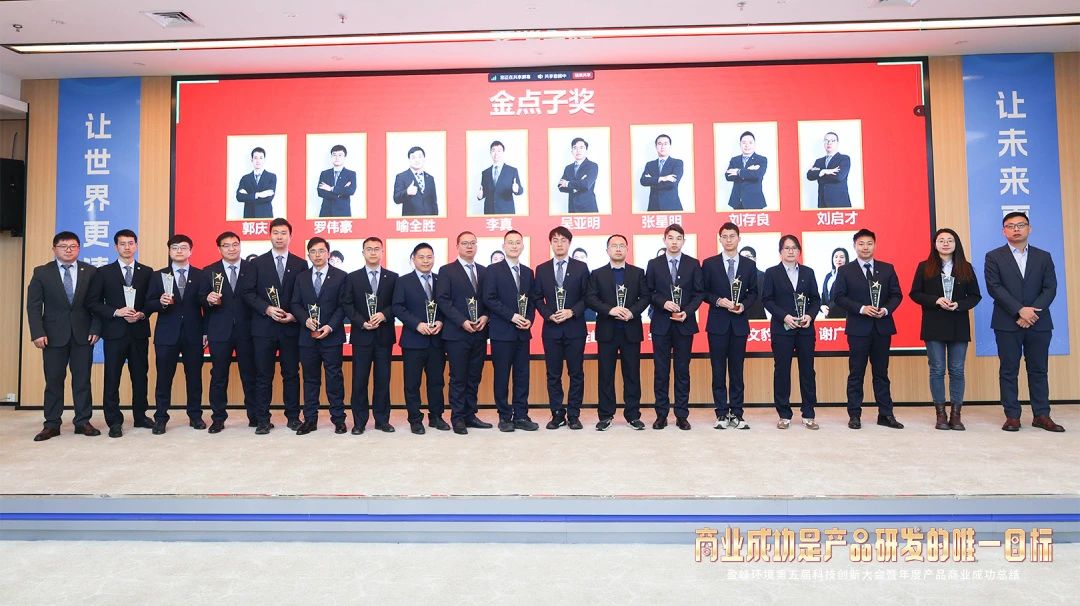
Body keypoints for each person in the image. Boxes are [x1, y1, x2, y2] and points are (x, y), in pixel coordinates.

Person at [984, 212, 1063, 432]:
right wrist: (1020, 310)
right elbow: (994, 287)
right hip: (1007, 322)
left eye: (1021, 225)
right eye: (1010, 226)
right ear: (1004, 231)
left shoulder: (1043, 256)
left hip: (1039, 322)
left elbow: (1050, 288)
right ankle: (1012, 416)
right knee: (1009, 370)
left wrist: (1031, 313)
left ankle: (1042, 415)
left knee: (1039, 370)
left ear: (1029, 228)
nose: (1016, 229)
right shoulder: (994, 256)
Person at [26, 232, 101, 441]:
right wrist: (37, 332)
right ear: (54, 249)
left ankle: (83, 421)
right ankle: (51, 424)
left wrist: (96, 328)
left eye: (73, 246)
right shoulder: (42, 272)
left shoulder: (91, 271)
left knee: (82, 380)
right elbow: (33, 306)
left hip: (83, 335)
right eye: (63, 246)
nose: (68, 250)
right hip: (52, 336)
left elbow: (97, 304)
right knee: (53, 381)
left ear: (79, 248)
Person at [909, 228, 982, 431]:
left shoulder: (966, 267)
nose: (946, 243)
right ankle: (940, 414)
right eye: (941, 240)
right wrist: (935, 300)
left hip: (958, 324)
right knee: (937, 369)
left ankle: (956, 415)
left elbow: (975, 296)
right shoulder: (925, 267)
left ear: (956, 244)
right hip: (934, 324)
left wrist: (959, 305)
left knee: (957, 370)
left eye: (950, 240)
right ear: (935, 244)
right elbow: (915, 293)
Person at [832, 228, 904, 429]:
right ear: (854, 246)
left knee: (881, 373)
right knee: (856, 373)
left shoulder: (887, 269)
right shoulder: (845, 271)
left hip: (882, 328)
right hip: (858, 329)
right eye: (861, 244)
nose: (865, 247)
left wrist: (886, 310)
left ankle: (886, 414)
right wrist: (862, 308)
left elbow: (897, 295)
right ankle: (854, 415)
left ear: (875, 245)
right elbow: (839, 297)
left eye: (869, 243)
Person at [242, 217, 307, 433]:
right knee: (263, 375)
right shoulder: (256, 263)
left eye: (283, 233)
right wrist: (267, 309)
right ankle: (262, 419)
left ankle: (293, 417)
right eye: (276, 233)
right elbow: (248, 293)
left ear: (290, 236)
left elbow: (304, 295)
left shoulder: (300, 264)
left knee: (291, 374)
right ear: (269, 235)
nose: (279, 237)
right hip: (263, 329)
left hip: (290, 328)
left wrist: (295, 316)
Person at [86, 229, 153, 438]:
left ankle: (140, 416)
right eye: (122, 244)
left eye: (131, 243)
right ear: (116, 247)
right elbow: (93, 302)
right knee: (112, 377)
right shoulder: (103, 272)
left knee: (140, 376)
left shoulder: (147, 272)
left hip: (139, 332)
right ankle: (114, 421)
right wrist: (116, 312)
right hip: (115, 332)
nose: (127, 247)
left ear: (136, 245)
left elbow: (151, 301)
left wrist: (142, 313)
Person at [585, 234, 650, 431]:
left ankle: (633, 415)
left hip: (631, 330)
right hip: (607, 331)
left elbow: (645, 297)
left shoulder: (638, 273)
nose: (618, 249)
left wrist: (632, 312)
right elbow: (590, 298)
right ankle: (605, 415)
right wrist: (610, 310)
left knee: (632, 374)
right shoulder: (597, 274)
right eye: (614, 246)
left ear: (627, 249)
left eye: (622, 245)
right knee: (606, 375)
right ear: (607, 250)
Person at [144, 234, 206, 435]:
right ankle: (161, 418)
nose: (179, 251)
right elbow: (148, 304)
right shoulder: (158, 275)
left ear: (191, 251)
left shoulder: (201, 275)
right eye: (175, 247)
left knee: (194, 377)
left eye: (183, 247)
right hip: (166, 334)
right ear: (169, 251)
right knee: (164, 377)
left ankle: (195, 416)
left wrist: (205, 332)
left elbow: (207, 307)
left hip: (193, 333)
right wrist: (160, 303)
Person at [198, 231, 259, 433]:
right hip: (219, 331)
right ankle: (218, 418)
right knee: (219, 376)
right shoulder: (209, 271)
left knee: (250, 374)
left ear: (240, 246)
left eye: (235, 244)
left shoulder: (252, 268)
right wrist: (208, 299)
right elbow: (200, 299)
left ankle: (255, 416)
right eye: (226, 245)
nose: (232, 249)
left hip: (247, 330)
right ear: (219, 248)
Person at [644, 224, 703, 430]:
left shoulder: (693, 264)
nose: (674, 242)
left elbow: (699, 293)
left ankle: (681, 414)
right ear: (664, 240)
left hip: (684, 324)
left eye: (678, 238)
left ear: (684, 241)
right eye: (670, 238)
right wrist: (663, 303)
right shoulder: (654, 264)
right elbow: (648, 292)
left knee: (682, 371)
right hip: (661, 324)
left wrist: (688, 311)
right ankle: (661, 414)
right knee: (661, 371)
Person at [701, 223, 758, 430]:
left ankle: (737, 413)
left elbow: (754, 293)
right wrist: (718, 301)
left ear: (739, 238)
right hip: (717, 324)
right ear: (719, 239)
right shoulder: (710, 263)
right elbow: (703, 292)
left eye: (732, 236)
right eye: (724, 236)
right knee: (718, 371)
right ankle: (721, 413)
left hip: (739, 324)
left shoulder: (749, 265)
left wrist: (743, 305)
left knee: (737, 371)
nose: (728, 240)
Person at [533, 227, 590, 430]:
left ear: (569, 243)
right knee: (553, 374)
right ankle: (557, 414)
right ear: (550, 243)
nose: (559, 244)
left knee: (576, 373)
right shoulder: (542, 269)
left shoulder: (581, 267)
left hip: (575, 329)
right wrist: (549, 314)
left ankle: (574, 415)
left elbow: (588, 297)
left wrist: (572, 312)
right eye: (555, 240)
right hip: (551, 329)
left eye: (563, 240)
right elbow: (537, 298)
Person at [762, 235, 821, 430]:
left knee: (807, 371)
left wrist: (810, 316)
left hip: (805, 330)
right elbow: (767, 300)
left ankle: (808, 413)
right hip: (782, 329)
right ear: (780, 251)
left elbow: (816, 300)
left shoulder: (808, 272)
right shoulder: (772, 273)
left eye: (794, 247)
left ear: (799, 251)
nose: (790, 251)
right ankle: (784, 414)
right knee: (782, 371)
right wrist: (784, 316)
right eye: (787, 248)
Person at [290, 237, 348, 435]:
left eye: (321, 251)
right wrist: (305, 319)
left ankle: (338, 419)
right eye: (313, 251)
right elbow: (295, 304)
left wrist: (330, 327)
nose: (317, 255)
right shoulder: (301, 277)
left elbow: (343, 306)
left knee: (334, 378)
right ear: (308, 255)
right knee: (310, 379)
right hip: (307, 337)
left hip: (332, 336)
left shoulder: (341, 276)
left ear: (328, 254)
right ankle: (310, 420)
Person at [437, 231, 492, 434]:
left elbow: (490, 299)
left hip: (479, 332)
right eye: (465, 243)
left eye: (472, 243)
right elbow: (443, 300)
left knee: (474, 376)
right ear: (457, 246)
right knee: (458, 377)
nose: (469, 246)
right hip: (456, 334)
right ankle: (458, 417)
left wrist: (486, 317)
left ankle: (470, 415)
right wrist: (462, 321)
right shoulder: (447, 271)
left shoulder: (485, 271)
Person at [341, 236, 398, 434]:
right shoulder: (352, 277)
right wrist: (361, 322)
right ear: (363, 253)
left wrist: (384, 315)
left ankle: (382, 420)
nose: (373, 252)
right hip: (362, 336)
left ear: (382, 252)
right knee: (359, 381)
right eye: (369, 249)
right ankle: (359, 422)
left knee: (383, 380)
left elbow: (397, 304)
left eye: (376, 249)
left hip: (384, 336)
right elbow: (347, 304)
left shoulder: (393, 277)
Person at [482, 230, 538, 431]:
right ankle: (505, 417)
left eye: (517, 243)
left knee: (522, 375)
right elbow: (489, 298)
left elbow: (532, 301)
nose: (514, 246)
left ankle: (521, 415)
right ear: (503, 246)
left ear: (522, 246)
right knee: (502, 376)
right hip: (501, 332)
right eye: (510, 242)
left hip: (522, 333)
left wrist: (529, 320)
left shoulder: (528, 272)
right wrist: (512, 316)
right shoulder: (492, 270)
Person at [391, 243, 449, 434]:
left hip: (437, 340)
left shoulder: (441, 280)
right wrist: (417, 324)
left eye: (429, 257)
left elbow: (447, 305)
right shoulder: (403, 281)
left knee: (436, 381)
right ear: (413, 259)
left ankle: (436, 416)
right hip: (413, 340)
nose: (425, 261)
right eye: (421, 257)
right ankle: (415, 419)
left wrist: (441, 321)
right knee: (412, 383)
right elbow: (398, 307)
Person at [476, 140, 523, 215]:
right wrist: (480, 196)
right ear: (490, 153)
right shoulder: (485, 173)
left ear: (503, 152)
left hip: (506, 212)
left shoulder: (512, 171)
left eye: (499, 151)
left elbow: (520, 190)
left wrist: (516, 190)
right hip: (489, 212)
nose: (496, 153)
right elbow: (484, 191)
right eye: (493, 150)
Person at [805, 132, 851, 208]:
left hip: (840, 203)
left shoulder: (844, 158)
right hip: (822, 203)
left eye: (832, 141)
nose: (829, 143)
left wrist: (819, 173)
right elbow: (809, 176)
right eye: (826, 140)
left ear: (837, 143)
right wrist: (824, 171)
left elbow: (839, 177)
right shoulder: (819, 161)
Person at [639, 134, 683, 211]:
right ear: (656, 146)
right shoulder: (650, 164)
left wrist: (652, 181)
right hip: (653, 207)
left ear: (670, 146)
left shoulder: (677, 163)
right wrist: (662, 178)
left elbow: (672, 184)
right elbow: (643, 181)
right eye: (659, 144)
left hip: (672, 207)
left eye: (665, 144)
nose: (662, 146)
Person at [724, 131, 768, 210]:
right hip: (737, 201)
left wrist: (738, 172)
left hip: (755, 201)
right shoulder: (734, 160)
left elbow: (757, 176)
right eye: (744, 143)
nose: (747, 145)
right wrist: (748, 171)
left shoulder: (761, 159)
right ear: (740, 144)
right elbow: (728, 176)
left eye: (750, 142)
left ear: (754, 144)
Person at [393, 146, 439, 216]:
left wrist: (436, 219)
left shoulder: (430, 178)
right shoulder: (401, 177)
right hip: (411, 220)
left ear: (424, 159)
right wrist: (407, 192)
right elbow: (396, 199)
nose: (417, 160)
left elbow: (434, 202)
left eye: (420, 157)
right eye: (413, 157)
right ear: (409, 160)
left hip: (428, 220)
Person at [557, 137, 599, 213]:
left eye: (581, 147)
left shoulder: (592, 166)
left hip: (588, 209)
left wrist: (567, 183)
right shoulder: (568, 168)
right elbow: (560, 187)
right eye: (575, 148)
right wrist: (575, 188)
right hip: (572, 208)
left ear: (586, 150)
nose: (578, 150)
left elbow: (586, 185)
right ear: (572, 151)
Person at [235, 147, 277, 218]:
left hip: (265, 216)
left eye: (261, 158)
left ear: (264, 160)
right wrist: (258, 195)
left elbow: (269, 198)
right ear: (251, 160)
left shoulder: (271, 177)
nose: (258, 161)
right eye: (255, 158)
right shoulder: (245, 178)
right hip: (249, 216)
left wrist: (248, 196)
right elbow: (239, 197)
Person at [316, 144, 357, 217]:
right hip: (326, 212)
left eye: (340, 155)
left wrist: (331, 189)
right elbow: (320, 192)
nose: (337, 158)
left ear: (344, 157)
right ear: (331, 157)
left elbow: (351, 191)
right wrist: (341, 192)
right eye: (334, 155)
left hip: (343, 213)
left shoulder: (351, 174)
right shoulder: (324, 173)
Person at [738, 246, 768, 320]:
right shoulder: (736, 278)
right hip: (739, 317)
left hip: (758, 318)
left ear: (755, 259)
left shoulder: (764, 276)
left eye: (748, 257)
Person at [820, 247, 849, 319]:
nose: (838, 259)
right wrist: (822, 306)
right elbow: (824, 296)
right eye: (836, 257)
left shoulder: (849, 276)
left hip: (843, 317)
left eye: (842, 257)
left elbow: (845, 298)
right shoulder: (828, 276)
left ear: (846, 259)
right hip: (828, 318)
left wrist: (830, 310)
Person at [572, 247, 598, 322]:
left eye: (582, 257)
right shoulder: (567, 276)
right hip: (572, 313)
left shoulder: (594, 276)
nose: (579, 259)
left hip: (589, 312)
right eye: (576, 257)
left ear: (586, 259)